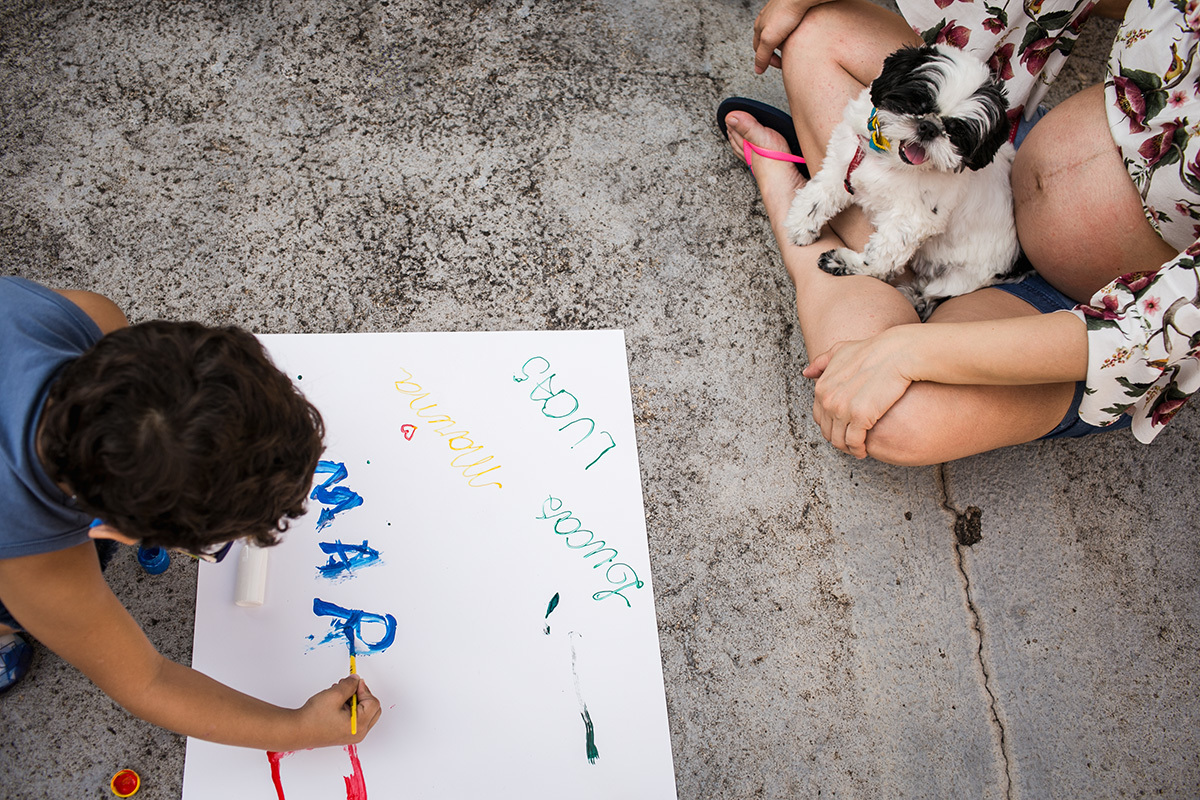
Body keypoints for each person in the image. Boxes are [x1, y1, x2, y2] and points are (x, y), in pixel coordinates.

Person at [722, 0, 1200, 463]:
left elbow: (1158, 329)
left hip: (1074, 315)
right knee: (814, 29)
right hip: (989, 144)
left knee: (891, 418)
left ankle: (783, 186)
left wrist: (910, 352)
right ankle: (852, 227)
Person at [0, 275, 381, 750]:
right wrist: (297, 730)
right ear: (113, 530)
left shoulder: (90, 319)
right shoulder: (36, 562)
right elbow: (148, 681)